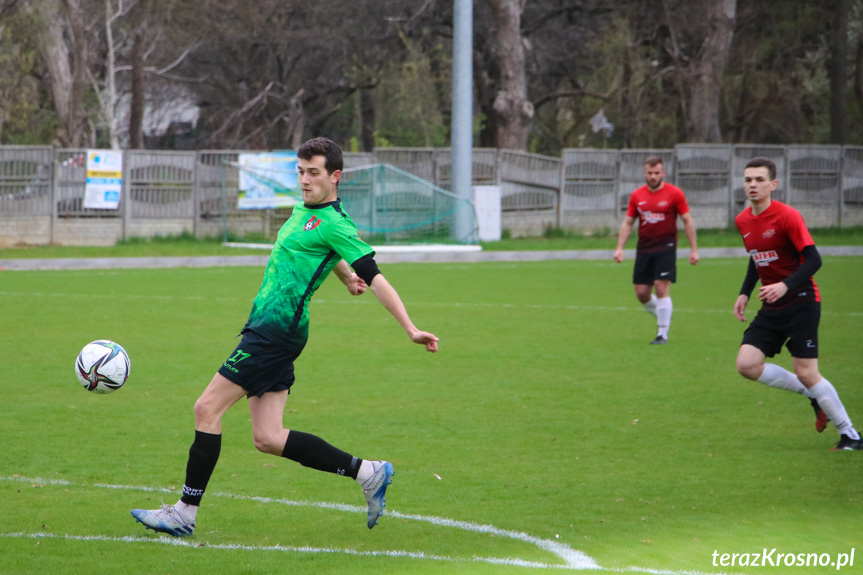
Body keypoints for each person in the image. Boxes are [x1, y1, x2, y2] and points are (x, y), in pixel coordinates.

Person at [131, 137, 440, 536]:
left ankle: (184, 513)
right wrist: (345, 277)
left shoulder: (335, 223)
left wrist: (411, 328)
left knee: (206, 409)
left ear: (335, 176)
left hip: (275, 334)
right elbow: (319, 254)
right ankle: (369, 472)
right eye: (300, 172)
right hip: (271, 328)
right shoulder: (305, 211)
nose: (305, 180)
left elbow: (376, 276)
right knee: (268, 438)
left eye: (314, 173)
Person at [733, 156, 861, 451]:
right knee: (747, 364)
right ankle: (813, 393)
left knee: (807, 371)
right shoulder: (743, 220)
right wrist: (744, 292)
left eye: (759, 180)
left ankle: (851, 435)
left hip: (802, 301)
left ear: (773, 184)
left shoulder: (787, 216)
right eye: (748, 180)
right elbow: (757, 260)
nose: (752, 185)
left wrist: (785, 285)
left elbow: (814, 259)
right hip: (771, 305)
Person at [613, 156, 699, 344]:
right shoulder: (636, 196)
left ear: (663, 173)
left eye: (656, 173)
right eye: (650, 173)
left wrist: (694, 249)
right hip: (644, 247)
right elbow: (628, 223)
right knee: (641, 293)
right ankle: (664, 315)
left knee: (661, 286)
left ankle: (662, 333)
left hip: (666, 247)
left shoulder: (674, 194)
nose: (653, 176)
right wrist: (619, 248)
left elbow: (687, 220)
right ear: (645, 173)